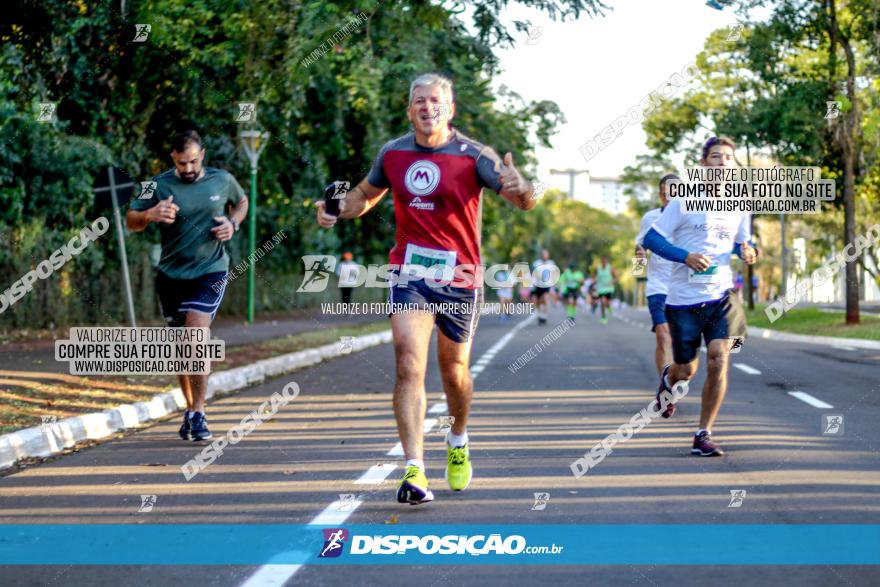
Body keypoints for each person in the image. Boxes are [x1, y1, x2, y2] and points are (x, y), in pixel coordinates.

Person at [315, 73, 536, 504]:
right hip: (409, 272)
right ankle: (414, 469)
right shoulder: (393, 153)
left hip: (461, 278)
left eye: (436, 100)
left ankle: (458, 438)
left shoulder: (475, 156)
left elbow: (522, 199)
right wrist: (338, 209)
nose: (427, 106)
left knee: (454, 373)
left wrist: (522, 187)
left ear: (449, 109)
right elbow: (365, 195)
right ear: (409, 108)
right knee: (408, 362)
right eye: (419, 100)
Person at [127, 129, 248, 441]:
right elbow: (131, 219)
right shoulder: (154, 184)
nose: (189, 169)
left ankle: (200, 412)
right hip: (171, 275)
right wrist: (151, 214)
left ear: (202, 155)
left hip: (211, 270)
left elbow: (242, 201)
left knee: (195, 336)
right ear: (173, 159)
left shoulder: (222, 180)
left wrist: (232, 224)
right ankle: (191, 411)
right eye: (182, 164)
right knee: (182, 349)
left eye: (193, 161)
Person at [643, 136, 758, 457]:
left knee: (719, 357)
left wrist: (749, 251)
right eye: (716, 157)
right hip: (682, 299)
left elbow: (741, 243)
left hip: (721, 295)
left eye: (728, 158)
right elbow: (652, 238)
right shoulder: (682, 201)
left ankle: (703, 433)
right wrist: (685, 256)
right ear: (704, 163)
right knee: (687, 370)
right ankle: (669, 377)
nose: (722, 162)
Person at [635, 174, 677, 376]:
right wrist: (640, 258)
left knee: (681, 343)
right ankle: (666, 386)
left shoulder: (691, 218)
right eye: (665, 194)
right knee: (663, 335)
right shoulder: (650, 218)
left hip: (683, 289)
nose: (669, 198)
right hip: (657, 288)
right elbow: (639, 249)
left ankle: (677, 375)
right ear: (660, 195)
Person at [531, 249, 557, 325]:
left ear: (548, 255)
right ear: (541, 255)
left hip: (547, 285)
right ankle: (540, 315)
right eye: (543, 254)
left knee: (545, 299)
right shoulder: (536, 263)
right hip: (537, 285)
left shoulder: (551, 263)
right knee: (538, 302)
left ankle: (544, 316)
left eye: (546, 254)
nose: (545, 256)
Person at [594, 256, 616, 324]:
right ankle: (603, 317)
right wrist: (595, 282)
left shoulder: (610, 268)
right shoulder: (598, 268)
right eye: (603, 261)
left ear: (607, 261)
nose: (604, 262)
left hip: (609, 288)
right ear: (601, 261)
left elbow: (617, 277)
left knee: (607, 302)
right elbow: (595, 277)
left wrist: (613, 281)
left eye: (605, 261)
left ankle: (608, 306)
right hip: (601, 288)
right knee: (602, 302)